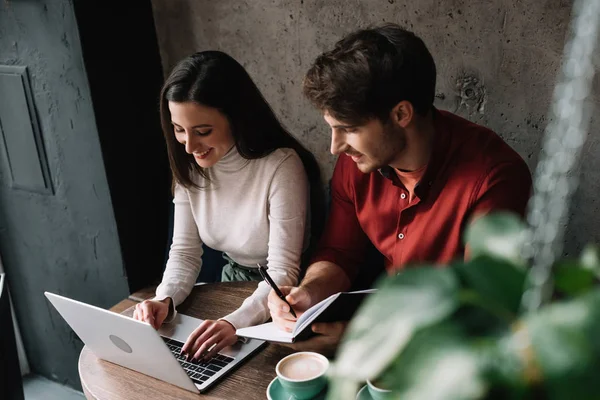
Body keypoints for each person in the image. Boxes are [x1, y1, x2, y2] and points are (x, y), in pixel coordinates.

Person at [268, 24, 532, 354]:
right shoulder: (359, 159)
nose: (335, 147)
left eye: (348, 129)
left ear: (401, 113)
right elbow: (339, 252)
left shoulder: (495, 178)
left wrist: (363, 339)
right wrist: (308, 292)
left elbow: (483, 311)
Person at [133, 51, 324, 361]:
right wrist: (163, 299)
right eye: (179, 130)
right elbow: (183, 253)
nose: (190, 147)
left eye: (203, 131)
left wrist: (235, 323)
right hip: (229, 286)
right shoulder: (189, 165)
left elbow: (283, 272)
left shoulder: (282, 166)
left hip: (287, 297)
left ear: (236, 117)